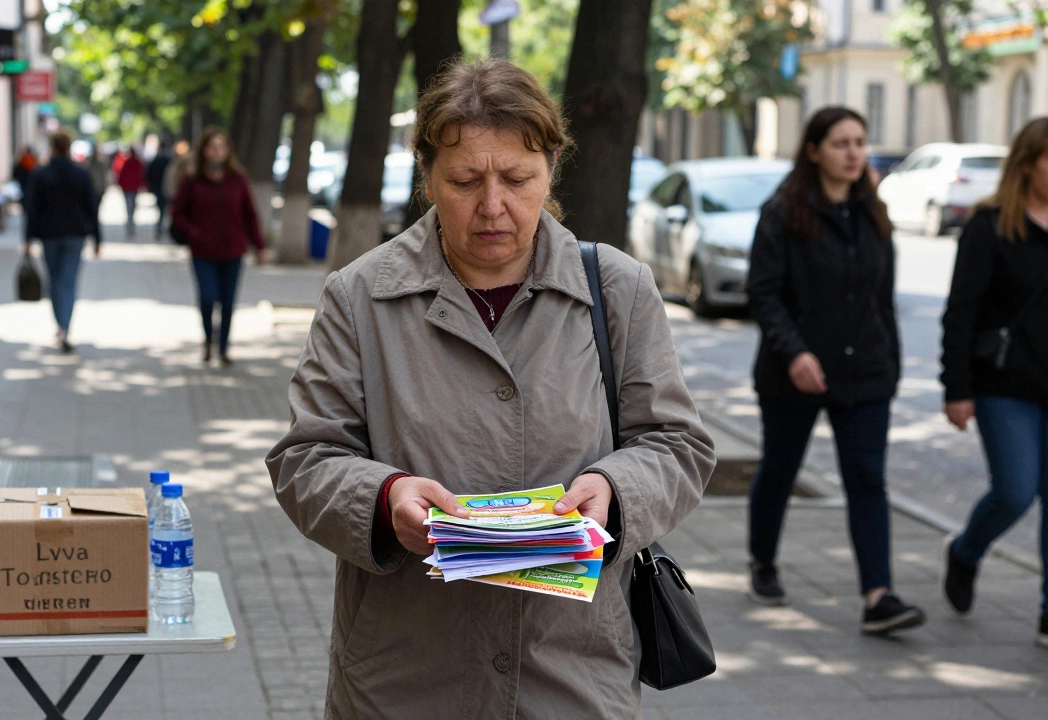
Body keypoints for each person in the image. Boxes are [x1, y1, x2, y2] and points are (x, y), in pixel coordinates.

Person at [265, 58, 714, 718]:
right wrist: (384, 498)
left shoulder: (617, 289)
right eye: (466, 180)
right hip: (403, 680)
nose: (493, 205)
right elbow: (306, 458)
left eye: (517, 179)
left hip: (572, 677)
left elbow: (675, 443)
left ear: (551, 169)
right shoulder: (359, 296)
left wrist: (615, 490)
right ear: (427, 177)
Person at [746, 106, 924, 634]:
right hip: (794, 371)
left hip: (865, 370)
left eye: (859, 142)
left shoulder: (873, 211)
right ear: (814, 151)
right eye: (841, 143)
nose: (853, 153)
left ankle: (878, 596)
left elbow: (881, 298)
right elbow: (764, 293)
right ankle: (762, 561)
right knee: (781, 468)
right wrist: (795, 353)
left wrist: (890, 364)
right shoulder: (783, 211)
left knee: (867, 479)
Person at [940, 117, 1048, 649]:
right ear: (1027, 164)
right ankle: (965, 552)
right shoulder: (990, 227)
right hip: (1005, 385)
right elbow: (961, 313)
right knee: (1015, 490)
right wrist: (955, 388)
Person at [170, 127, 265, 364]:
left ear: (227, 150)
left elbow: (250, 213)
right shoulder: (192, 179)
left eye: (221, 147)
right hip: (203, 250)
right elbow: (177, 212)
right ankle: (208, 338)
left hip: (233, 250)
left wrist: (259, 245)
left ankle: (223, 348)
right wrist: (193, 232)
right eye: (212, 147)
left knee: (228, 301)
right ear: (204, 150)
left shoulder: (238, 178)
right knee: (207, 296)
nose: (217, 151)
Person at [25, 130, 101, 354]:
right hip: (75, 234)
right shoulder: (80, 173)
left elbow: (32, 209)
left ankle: (61, 325)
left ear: (52, 146)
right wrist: (97, 237)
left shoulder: (41, 173)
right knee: (68, 281)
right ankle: (64, 326)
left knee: (55, 281)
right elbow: (92, 207)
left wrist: (27, 238)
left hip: (49, 235)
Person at [116, 146, 146, 238]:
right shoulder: (135, 162)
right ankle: (130, 223)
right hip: (132, 187)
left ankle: (130, 223)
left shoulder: (130, 162)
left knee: (129, 205)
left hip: (129, 187)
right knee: (131, 205)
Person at [147, 141, 173, 240]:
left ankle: (160, 227)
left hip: (159, 188)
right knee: (164, 209)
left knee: (162, 209)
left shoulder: (157, 160)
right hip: (163, 188)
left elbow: (149, 174)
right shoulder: (168, 161)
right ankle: (161, 228)